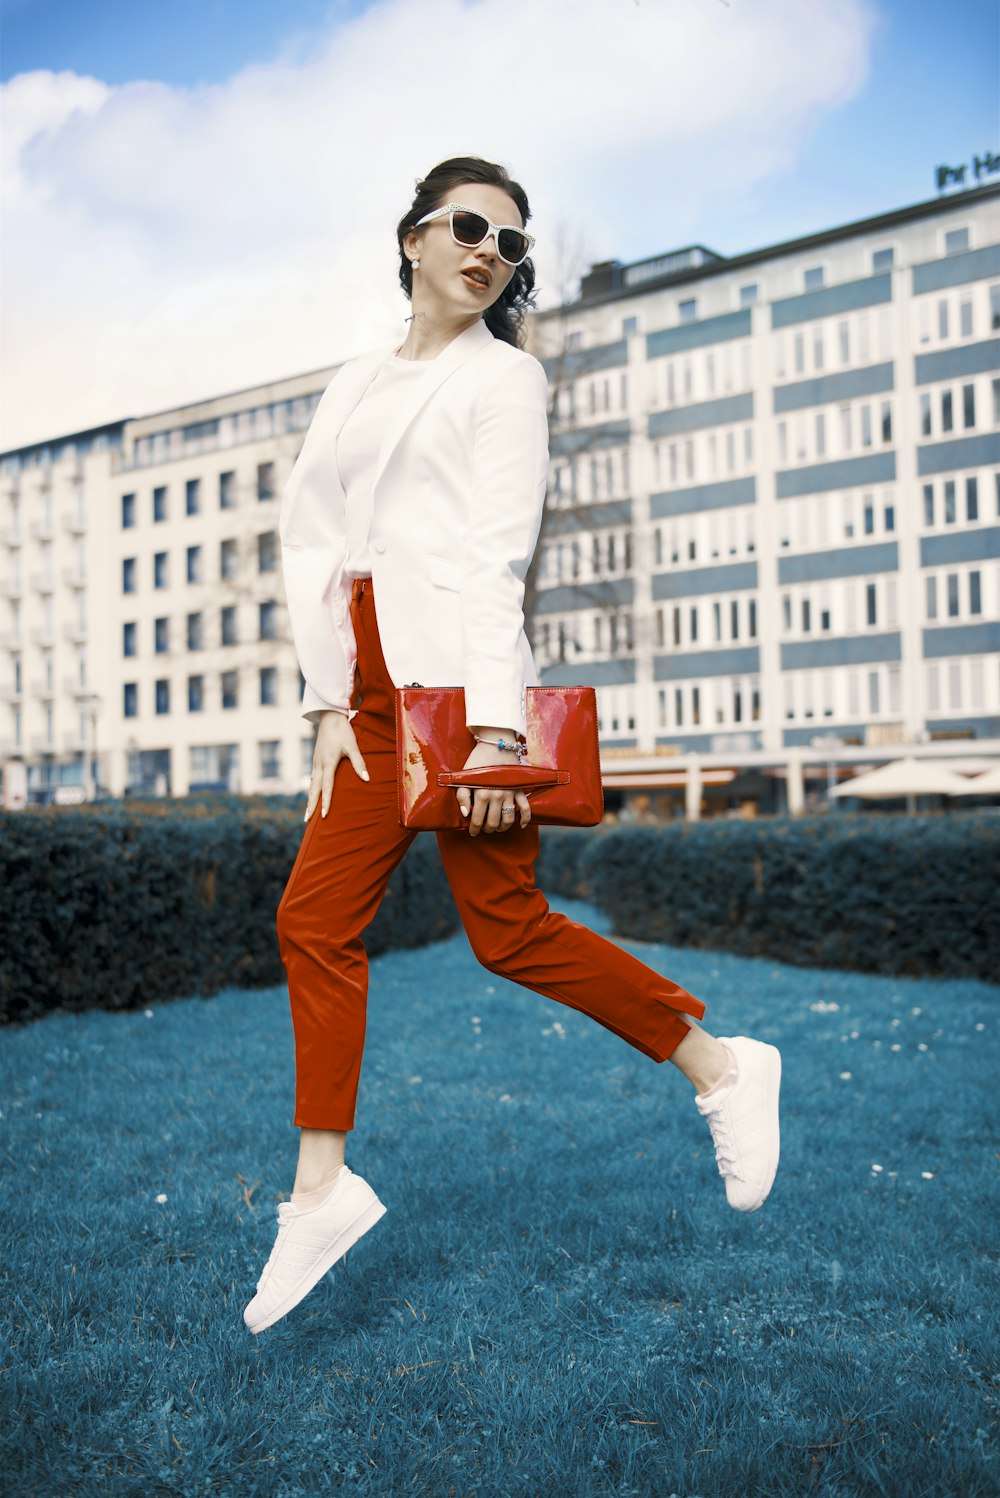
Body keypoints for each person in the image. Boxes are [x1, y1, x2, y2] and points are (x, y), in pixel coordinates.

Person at [244, 156, 781, 1335]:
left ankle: (723, 1064)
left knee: (507, 930)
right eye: (470, 226)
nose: (490, 250)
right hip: (370, 697)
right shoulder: (354, 379)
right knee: (311, 920)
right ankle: (321, 1188)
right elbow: (310, 539)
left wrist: (493, 731)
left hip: (453, 691)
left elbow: (495, 553)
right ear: (414, 238)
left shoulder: (507, 381)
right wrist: (328, 701)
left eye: (510, 242)